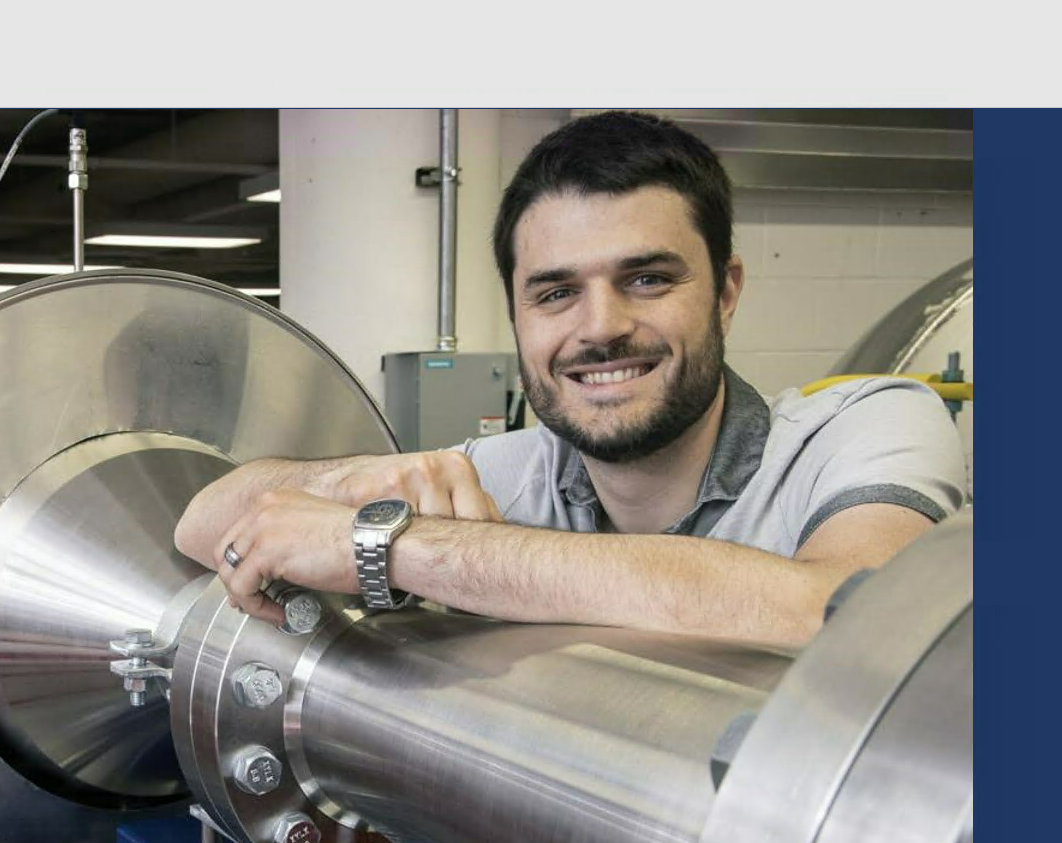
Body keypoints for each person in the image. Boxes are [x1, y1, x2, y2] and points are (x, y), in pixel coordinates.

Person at [174, 111, 965, 649]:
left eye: (649, 278)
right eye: (555, 293)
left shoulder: (866, 427)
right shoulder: (507, 477)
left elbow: (841, 614)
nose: (599, 326)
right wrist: (359, 480)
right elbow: (203, 524)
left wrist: (400, 549)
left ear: (726, 290)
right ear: (517, 317)